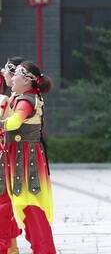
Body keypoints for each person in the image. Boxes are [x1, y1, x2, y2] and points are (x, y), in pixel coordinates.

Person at [4, 61, 55, 253]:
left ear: (27, 80)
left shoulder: (26, 100)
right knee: (28, 207)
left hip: (26, 160)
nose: (12, 77)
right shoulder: (25, 96)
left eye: (16, 73)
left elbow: (13, 123)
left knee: (31, 207)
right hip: (22, 157)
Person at [0, 57, 25, 254]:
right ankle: (11, 247)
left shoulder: (17, 99)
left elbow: (10, 125)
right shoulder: (15, 97)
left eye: (7, 72)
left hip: (9, 154)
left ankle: (8, 247)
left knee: (5, 201)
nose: (4, 74)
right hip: (9, 152)